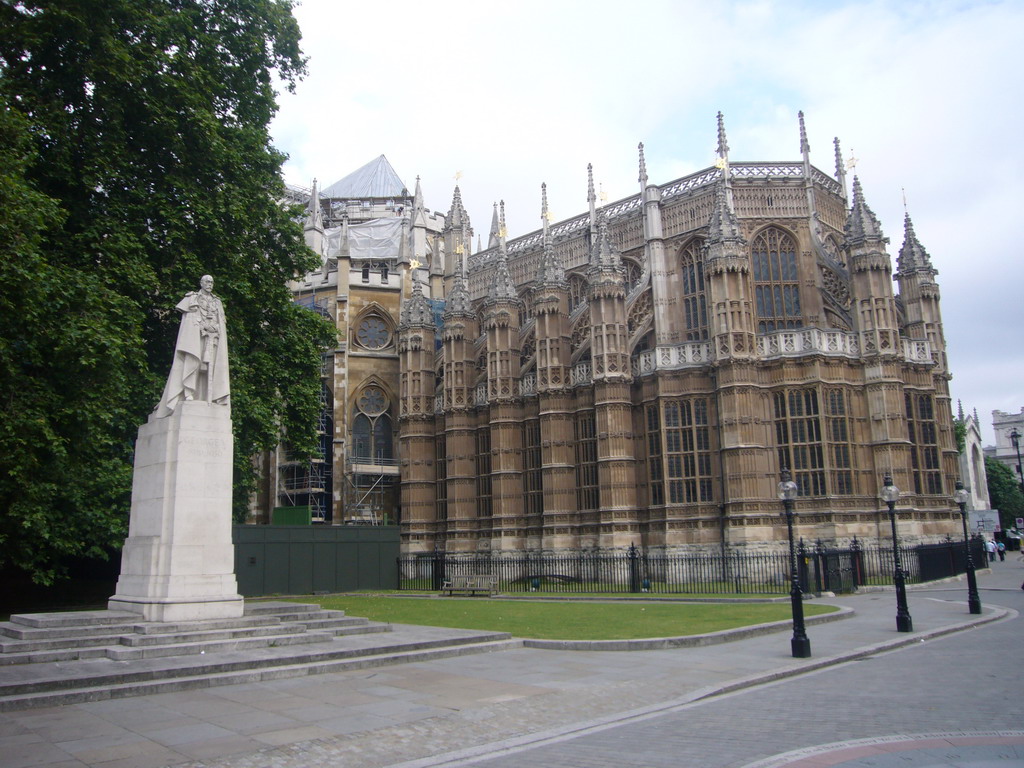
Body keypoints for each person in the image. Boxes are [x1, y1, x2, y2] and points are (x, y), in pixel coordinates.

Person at [155, 275, 230, 417]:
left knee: (209, 368)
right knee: (192, 362)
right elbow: (189, 321)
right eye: (207, 282)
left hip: (212, 338)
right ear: (201, 283)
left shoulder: (217, 302)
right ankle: (188, 392)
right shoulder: (192, 298)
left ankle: (205, 396)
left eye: (212, 282)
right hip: (196, 337)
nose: (210, 284)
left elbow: (221, 321)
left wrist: (215, 330)